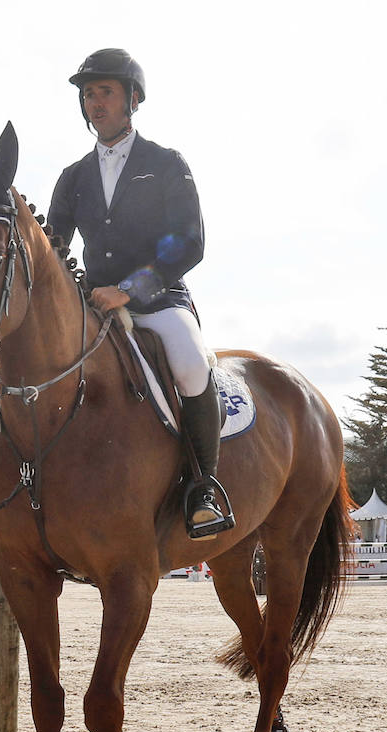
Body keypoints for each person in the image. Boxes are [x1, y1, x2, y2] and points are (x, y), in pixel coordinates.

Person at [48, 48, 233, 540]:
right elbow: (55, 247)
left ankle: (203, 487)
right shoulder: (73, 177)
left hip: (158, 300)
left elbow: (188, 242)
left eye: (104, 92)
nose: (94, 103)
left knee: (193, 362)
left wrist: (128, 290)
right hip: (92, 305)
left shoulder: (166, 163)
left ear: (132, 98)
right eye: (87, 95)